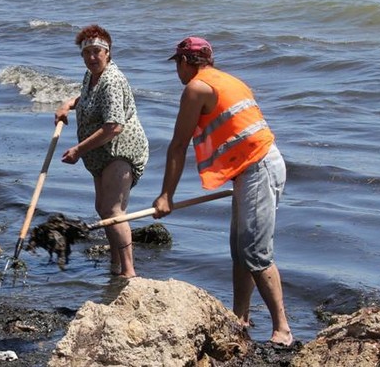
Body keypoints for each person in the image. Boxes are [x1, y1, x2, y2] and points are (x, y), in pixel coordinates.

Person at [152, 36, 292, 345]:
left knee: (255, 251)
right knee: (240, 252)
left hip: (260, 167)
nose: (177, 71)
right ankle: (239, 319)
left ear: (185, 63)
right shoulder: (227, 79)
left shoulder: (196, 88)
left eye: (177, 64)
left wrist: (166, 196)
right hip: (256, 166)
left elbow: (178, 146)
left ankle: (282, 330)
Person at [55, 25, 149, 278]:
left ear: (108, 53)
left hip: (120, 150)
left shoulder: (111, 80)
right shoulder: (91, 76)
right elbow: (86, 98)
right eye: (86, 53)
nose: (91, 58)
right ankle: (116, 264)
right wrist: (68, 104)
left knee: (113, 210)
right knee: (103, 208)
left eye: (97, 52)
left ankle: (128, 272)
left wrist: (77, 149)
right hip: (100, 154)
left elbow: (114, 126)